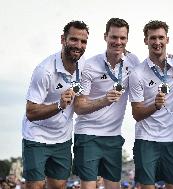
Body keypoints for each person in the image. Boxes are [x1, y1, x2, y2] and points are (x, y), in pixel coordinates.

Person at [73, 18, 140, 189]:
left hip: (113, 136)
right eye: (114, 37)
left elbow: (149, 70)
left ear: (127, 40)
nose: (118, 42)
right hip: (88, 134)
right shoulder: (89, 65)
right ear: (105, 37)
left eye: (122, 38)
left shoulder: (133, 62)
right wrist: (104, 100)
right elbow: (79, 107)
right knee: (88, 186)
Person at [22, 20, 89, 189]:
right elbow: (30, 112)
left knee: (58, 186)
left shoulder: (85, 66)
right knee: (35, 185)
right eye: (74, 39)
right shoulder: (44, 71)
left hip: (62, 138)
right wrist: (59, 105)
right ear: (63, 39)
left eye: (83, 41)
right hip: (37, 136)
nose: (78, 45)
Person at [129, 20, 173, 189]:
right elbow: (136, 113)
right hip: (147, 140)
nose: (157, 42)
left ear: (167, 39)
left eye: (161, 37)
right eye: (153, 38)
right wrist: (155, 106)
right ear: (145, 41)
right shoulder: (137, 73)